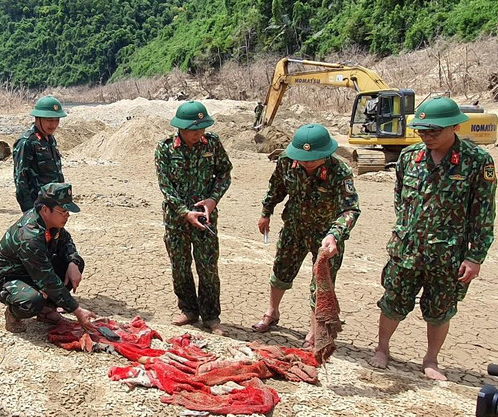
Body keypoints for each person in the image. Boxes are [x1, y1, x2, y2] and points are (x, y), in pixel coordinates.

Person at [369, 97, 495, 380]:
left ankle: (431, 360)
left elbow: (484, 214)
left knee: (440, 310)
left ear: (453, 127)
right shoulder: (408, 157)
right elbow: (401, 198)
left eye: (433, 132)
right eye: (422, 131)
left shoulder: (477, 162)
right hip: (407, 250)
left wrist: (475, 257)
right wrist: (404, 231)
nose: (426, 137)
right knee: (392, 302)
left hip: (448, 256)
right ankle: (382, 348)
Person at [251, 123, 360, 349]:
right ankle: (272, 312)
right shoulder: (286, 163)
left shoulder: (340, 172)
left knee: (319, 283)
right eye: (303, 157)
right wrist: (266, 213)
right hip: (294, 228)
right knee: (281, 270)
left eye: (313, 158)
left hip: (325, 236)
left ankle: (314, 332)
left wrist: (335, 234)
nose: (307, 162)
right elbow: (276, 189)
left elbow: (350, 209)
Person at [155, 101, 233, 334]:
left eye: (202, 128)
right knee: (180, 266)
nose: (198, 134)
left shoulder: (213, 144)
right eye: (193, 130)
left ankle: (211, 316)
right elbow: (166, 186)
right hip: (177, 219)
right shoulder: (166, 148)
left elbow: (224, 173)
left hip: (205, 218)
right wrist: (184, 212)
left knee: (208, 267)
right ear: (180, 128)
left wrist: (213, 199)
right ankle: (188, 310)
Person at [0, 183, 97, 334]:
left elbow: (66, 241)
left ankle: (46, 310)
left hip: (33, 272)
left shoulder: (50, 221)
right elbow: (46, 278)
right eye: (63, 211)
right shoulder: (29, 236)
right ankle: (13, 314)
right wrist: (77, 311)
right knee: (32, 301)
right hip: (8, 278)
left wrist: (73, 262)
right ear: (45, 209)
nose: (67, 216)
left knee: (75, 264)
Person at [13, 96, 67, 212]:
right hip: (37, 204)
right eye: (49, 120)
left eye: (56, 120)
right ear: (38, 119)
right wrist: (28, 211)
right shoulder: (27, 142)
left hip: (54, 202)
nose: (53, 125)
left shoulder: (50, 139)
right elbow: (20, 180)